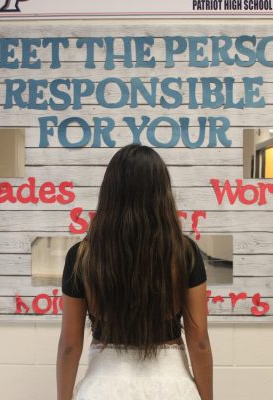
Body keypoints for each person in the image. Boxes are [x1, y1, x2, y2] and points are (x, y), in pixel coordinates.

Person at [56, 144, 213, 400]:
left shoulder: (82, 256)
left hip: (102, 387)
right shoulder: (184, 253)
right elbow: (199, 341)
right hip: (172, 387)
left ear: (109, 192)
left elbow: (70, 346)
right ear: (162, 193)